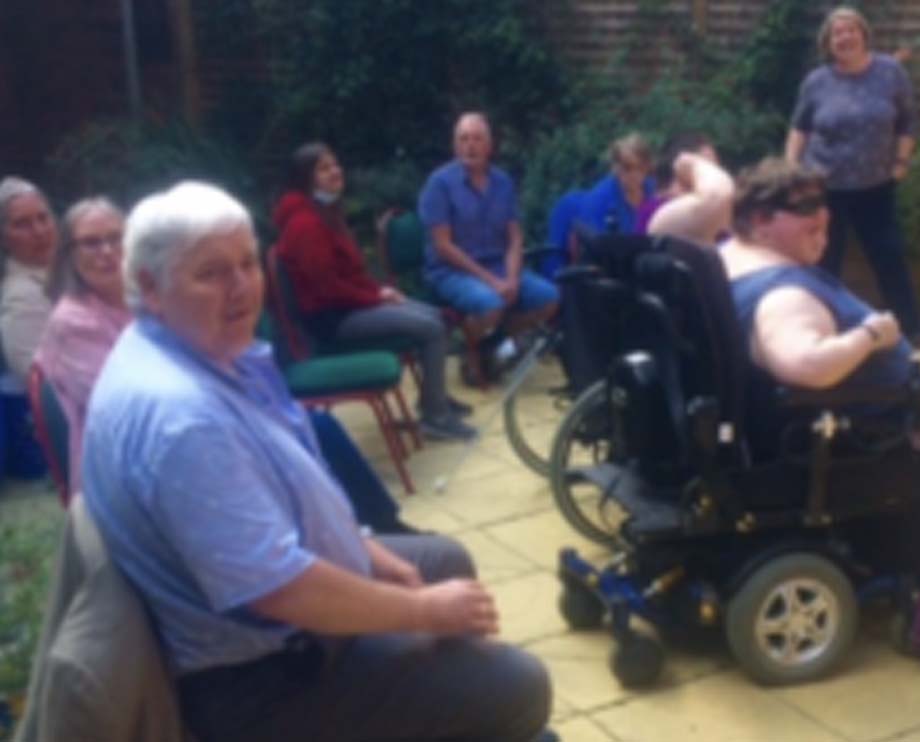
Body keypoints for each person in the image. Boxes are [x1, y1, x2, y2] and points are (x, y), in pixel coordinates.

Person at [81, 181, 552, 742]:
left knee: (441, 559)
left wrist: (368, 551)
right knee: (522, 687)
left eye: (248, 263)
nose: (241, 289)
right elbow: (280, 589)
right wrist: (423, 612)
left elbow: (289, 489)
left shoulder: (186, 349)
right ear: (149, 288)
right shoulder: (181, 419)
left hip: (274, 625)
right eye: (210, 273)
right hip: (261, 684)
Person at [36, 196, 416, 532]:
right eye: (90, 242)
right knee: (288, 438)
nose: (106, 251)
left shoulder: (147, 298)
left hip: (196, 418)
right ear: (69, 254)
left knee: (313, 425)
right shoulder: (73, 322)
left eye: (115, 238)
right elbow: (142, 403)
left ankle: (375, 528)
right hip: (139, 467)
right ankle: (359, 539)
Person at [722, 157, 920, 581]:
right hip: (850, 435)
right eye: (805, 209)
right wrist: (872, 335)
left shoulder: (729, 256)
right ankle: (918, 567)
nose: (822, 215)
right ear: (759, 221)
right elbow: (805, 364)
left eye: (822, 203)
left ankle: (915, 546)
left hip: (807, 424)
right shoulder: (783, 293)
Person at [274, 142, 475, 441]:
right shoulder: (305, 224)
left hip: (352, 307)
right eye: (324, 168)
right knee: (431, 328)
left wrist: (380, 291)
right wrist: (376, 298)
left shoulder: (325, 213)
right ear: (306, 178)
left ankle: (433, 399)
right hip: (334, 322)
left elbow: (349, 274)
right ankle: (435, 418)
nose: (335, 171)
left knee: (435, 315)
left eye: (335, 164)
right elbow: (328, 290)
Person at [785, 6, 920, 352]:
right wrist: (790, 172)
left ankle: (913, 329)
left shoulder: (890, 72)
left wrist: (901, 162)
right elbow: (799, 129)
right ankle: (823, 331)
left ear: (864, 34)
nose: (844, 37)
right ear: (828, 43)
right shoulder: (817, 82)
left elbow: (907, 121)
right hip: (824, 187)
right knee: (825, 261)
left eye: (850, 31)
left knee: (889, 257)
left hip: (876, 186)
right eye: (837, 34)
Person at [419, 111, 559, 374]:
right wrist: (493, 282)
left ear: (489, 145)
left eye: (477, 139)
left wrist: (513, 277)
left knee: (549, 299)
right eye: (463, 139)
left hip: (497, 265)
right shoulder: (439, 185)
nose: (470, 146)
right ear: (454, 145)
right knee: (491, 303)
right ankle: (469, 347)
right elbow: (443, 246)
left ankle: (490, 344)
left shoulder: (503, 182)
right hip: (452, 271)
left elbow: (515, 236)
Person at [0, 176, 56, 480]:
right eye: (22, 224)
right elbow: (38, 379)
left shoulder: (64, 271)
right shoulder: (21, 295)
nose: (39, 231)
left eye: (42, 218)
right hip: (38, 424)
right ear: (3, 238)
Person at [645, 149, 734, 248]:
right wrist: (688, 162)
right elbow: (716, 194)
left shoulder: (726, 227)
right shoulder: (661, 215)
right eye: (708, 170)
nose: (715, 175)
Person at [577, 132, 654, 236]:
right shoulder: (598, 200)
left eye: (641, 167)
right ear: (615, 167)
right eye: (627, 167)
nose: (635, 174)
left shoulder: (654, 189)